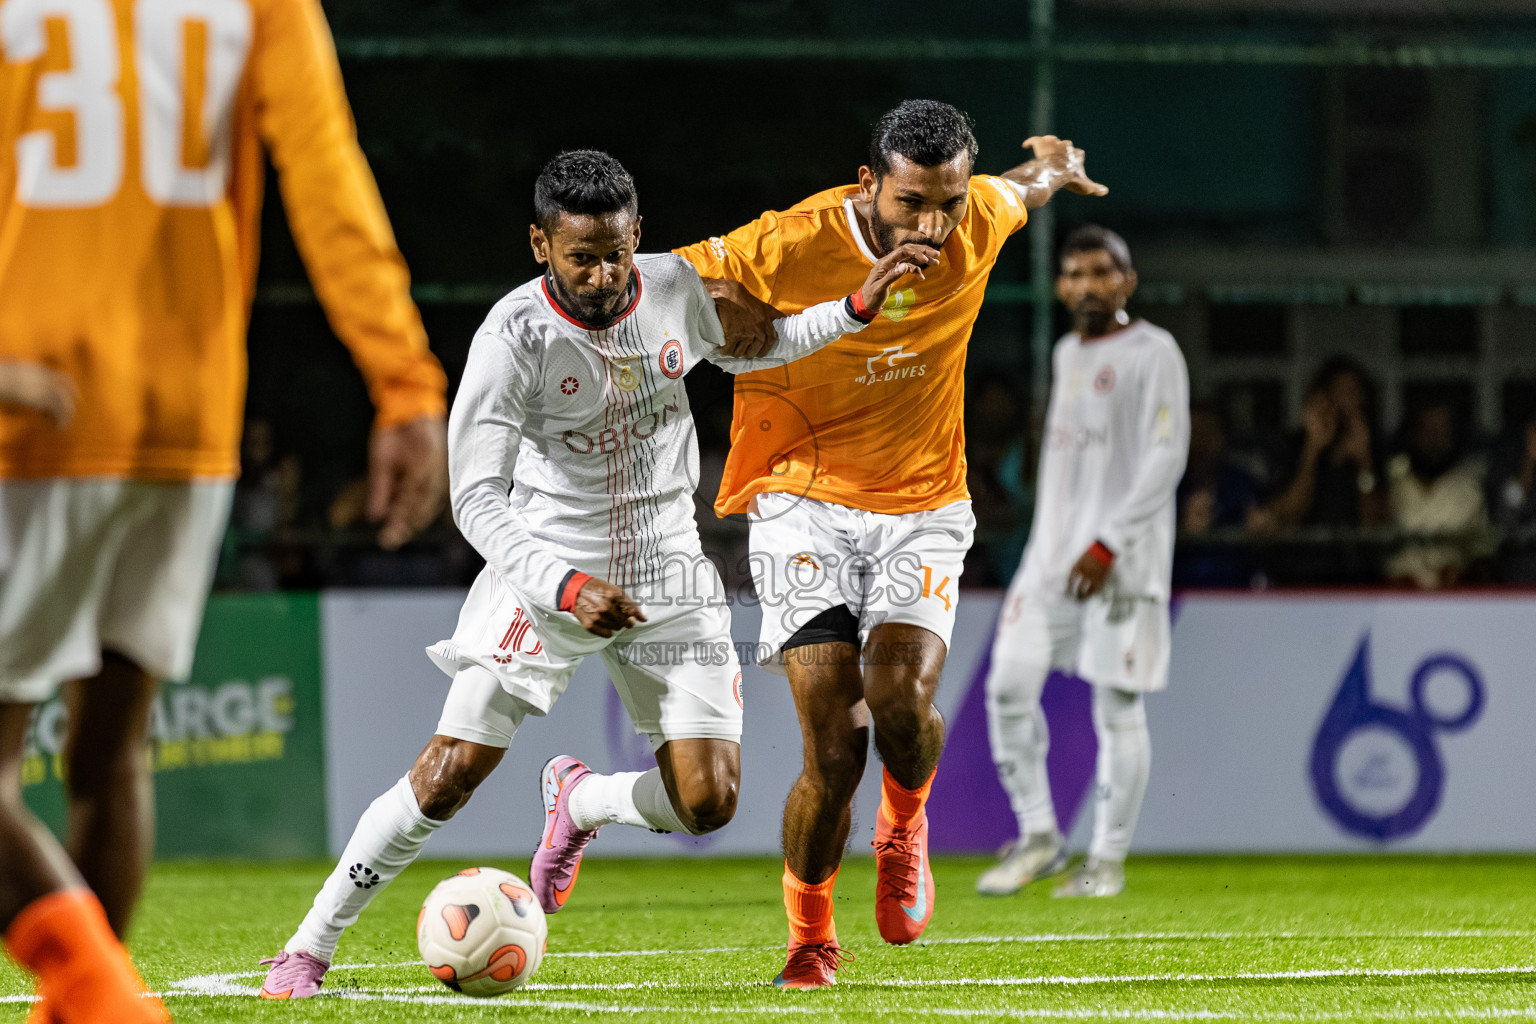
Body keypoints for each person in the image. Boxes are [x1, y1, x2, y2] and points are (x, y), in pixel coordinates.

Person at [257, 150, 936, 999]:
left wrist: (854, 307)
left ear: (638, 235)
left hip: (670, 577)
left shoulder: (677, 291)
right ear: (541, 244)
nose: (603, 272)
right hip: (546, 574)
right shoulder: (513, 339)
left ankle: (582, 803)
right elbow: (474, 498)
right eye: (582, 255)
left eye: (617, 250)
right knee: (450, 772)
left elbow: (767, 346)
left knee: (710, 803)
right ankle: (309, 947)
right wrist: (563, 585)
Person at [0, 0, 449, 1019]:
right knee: (107, 754)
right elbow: (330, 182)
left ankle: (104, 994)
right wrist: (404, 383)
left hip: (28, 407)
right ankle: (91, 1002)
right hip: (189, 419)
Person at [675, 99, 1106, 988]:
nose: (934, 223)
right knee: (834, 746)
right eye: (913, 203)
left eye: (947, 201)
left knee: (900, 705)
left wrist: (1056, 165)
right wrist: (718, 305)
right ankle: (809, 937)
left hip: (923, 503)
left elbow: (1019, 187)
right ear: (869, 183)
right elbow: (661, 280)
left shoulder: (975, 216)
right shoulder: (788, 242)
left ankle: (905, 826)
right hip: (800, 498)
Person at [976, 226, 1189, 900]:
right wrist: (1053, 549)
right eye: (1075, 274)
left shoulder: (1155, 352)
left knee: (1117, 708)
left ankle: (1106, 862)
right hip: (1050, 562)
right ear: (1062, 286)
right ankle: (1040, 835)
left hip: (1121, 563)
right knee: (1007, 687)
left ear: (1127, 279)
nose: (1088, 284)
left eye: (1102, 272)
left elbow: (1166, 456)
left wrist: (1109, 543)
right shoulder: (1068, 352)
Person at [1384, 400, 1491, 589]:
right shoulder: (1391, 478)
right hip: (1397, 595)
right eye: (1428, 428)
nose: (1435, 437)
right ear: (1413, 433)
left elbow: (1482, 554)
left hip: (1454, 596)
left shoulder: (1470, 485)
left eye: (1443, 429)